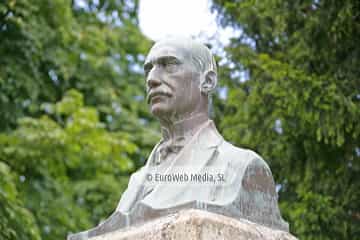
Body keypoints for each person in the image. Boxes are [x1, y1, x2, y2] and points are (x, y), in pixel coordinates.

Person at [68, 37, 288, 240]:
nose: (152, 79)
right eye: (148, 70)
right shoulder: (136, 181)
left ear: (207, 81)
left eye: (169, 65)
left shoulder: (244, 168)